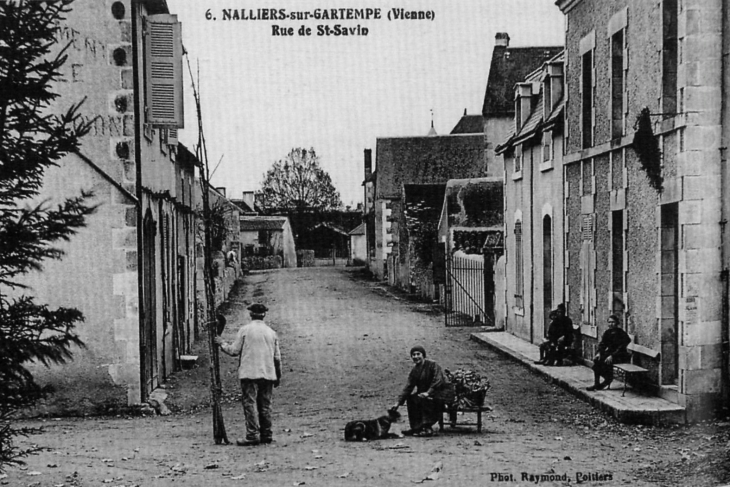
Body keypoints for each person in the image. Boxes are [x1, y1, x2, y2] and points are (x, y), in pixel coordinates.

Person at [214, 303, 281, 446]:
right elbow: (277, 358)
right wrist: (278, 375)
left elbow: (234, 351)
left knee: (249, 403)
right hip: (268, 373)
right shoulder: (271, 332)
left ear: (250, 314)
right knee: (265, 405)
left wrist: (222, 343)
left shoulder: (245, 330)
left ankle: (252, 435)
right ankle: (266, 434)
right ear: (264, 315)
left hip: (249, 373)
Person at [391, 346, 454, 437]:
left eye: (418, 354)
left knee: (426, 400)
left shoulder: (433, 365)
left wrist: (428, 392)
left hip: (441, 393)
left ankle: (427, 427)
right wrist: (398, 402)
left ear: (423, 355)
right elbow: (409, 386)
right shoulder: (415, 370)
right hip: (425, 393)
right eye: (413, 355)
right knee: (411, 399)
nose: (416, 357)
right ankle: (416, 428)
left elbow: (438, 380)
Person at [586, 314, 631, 391]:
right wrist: (599, 352)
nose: (611, 324)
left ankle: (608, 379)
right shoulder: (607, 333)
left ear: (617, 323)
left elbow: (621, 347)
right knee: (597, 360)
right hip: (610, 354)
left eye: (613, 322)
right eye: (609, 322)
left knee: (605, 361)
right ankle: (597, 383)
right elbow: (602, 344)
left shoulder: (621, 333)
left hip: (620, 355)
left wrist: (612, 356)